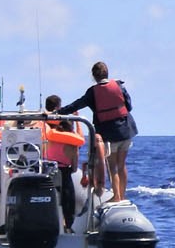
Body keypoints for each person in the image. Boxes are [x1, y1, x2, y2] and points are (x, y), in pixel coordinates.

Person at [58, 61, 137, 202]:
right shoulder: (119, 86)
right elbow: (129, 106)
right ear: (107, 73)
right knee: (122, 164)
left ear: (94, 76)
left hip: (110, 133)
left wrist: (59, 112)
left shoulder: (92, 92)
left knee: (112, 166)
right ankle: (122, 195)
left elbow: (77, 104)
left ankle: (117, 197)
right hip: (126, 130)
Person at [42, 95, 82, 232]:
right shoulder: (72, 146)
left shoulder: (48, 136)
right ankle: (68, 226)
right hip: (64, 172)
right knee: (68, 200)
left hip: (46, 171)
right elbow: (75, 167)